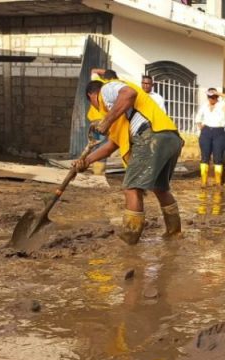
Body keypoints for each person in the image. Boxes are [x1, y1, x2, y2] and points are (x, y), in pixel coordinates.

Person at [74, 75, 183, 245]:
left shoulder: (106, 90)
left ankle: (129, 240)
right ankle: (174, 233)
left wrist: (106, 121)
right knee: (160, 188)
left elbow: (129, 93)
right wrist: (86, 161)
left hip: (151, 136)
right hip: (169, 137)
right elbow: (112, 145)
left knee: (131, 188)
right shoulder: (120, 114)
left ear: (91, 96)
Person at [195, 87, 225, 188]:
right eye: (209, 97)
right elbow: (198, 118)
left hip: (218, 132)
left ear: (216, 97)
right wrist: (200, 127)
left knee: (218, 158)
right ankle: (203, 182)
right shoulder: (204, 106)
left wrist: (218, 93)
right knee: (204, 158)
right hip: (206, 132)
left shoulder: (221, 104)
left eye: (213, 97)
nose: (211, 99)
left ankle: (217, 183)